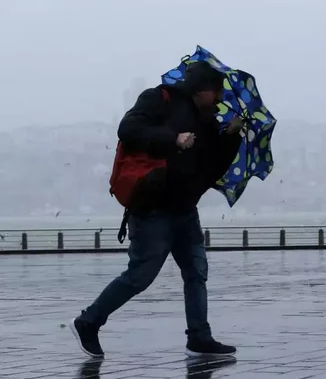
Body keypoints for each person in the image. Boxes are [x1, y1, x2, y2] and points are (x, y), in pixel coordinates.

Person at [70, 62, 242, 358]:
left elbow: (213, 170)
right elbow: (128, 129)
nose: (220, 98)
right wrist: (173, 139)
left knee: (196, 272)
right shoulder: (159, 99)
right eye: (217, 91)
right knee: (140, 275)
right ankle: (89, 321)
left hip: (185, 209)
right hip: (153, 209)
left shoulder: (208, 122)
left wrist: (230, 137)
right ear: (201, 89)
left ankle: (199, 337)